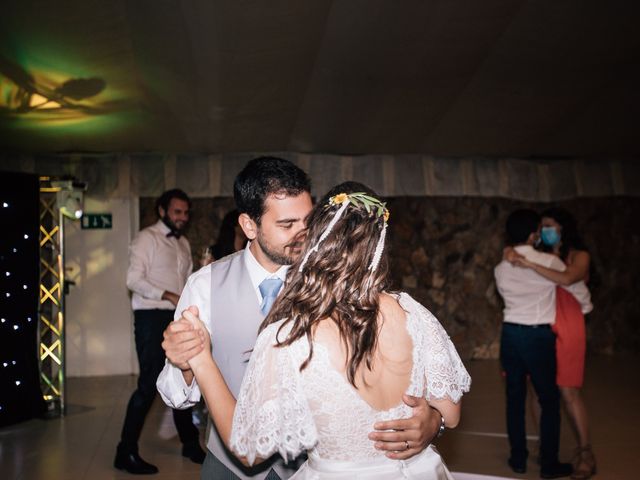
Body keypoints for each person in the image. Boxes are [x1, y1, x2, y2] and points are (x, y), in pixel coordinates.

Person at [157, 160, 445, 480]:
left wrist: (433, 419)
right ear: (249, 225)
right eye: (287, 224)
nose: (302, 234)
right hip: (229, 466)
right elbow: (174, 394)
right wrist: (185, 362)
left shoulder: (335, 279)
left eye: (308, 221)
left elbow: (385, 370)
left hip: (313, 465)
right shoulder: (205, 284)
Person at [494, 209, 594, 479]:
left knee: (515, 399)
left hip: (511, 334)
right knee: (549, 399)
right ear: (533, 234)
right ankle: (549, 464)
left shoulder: (501, 266)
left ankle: (518, 459)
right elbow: (578, 291)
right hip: (538, 336)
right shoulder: (551, 262)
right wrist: (584, 308)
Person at [115, 188, 205, 474]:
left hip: (174, 317)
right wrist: (167, 294)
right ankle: (125, 451)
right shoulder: (146, 238)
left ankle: (190, 444)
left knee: (181, 378)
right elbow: (133, 279)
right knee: (148, 385)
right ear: (162, 211)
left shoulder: (184, 243)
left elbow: (186, 281)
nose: (183, 217)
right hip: (150, 318)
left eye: (186, 212)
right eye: (177, 212)